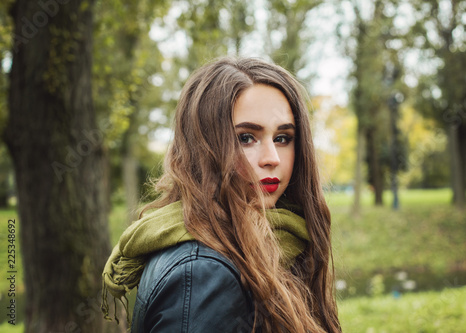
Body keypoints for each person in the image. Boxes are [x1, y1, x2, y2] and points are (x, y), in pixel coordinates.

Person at [101, 57, 342, 333]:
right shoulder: (202, 273)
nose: (272, 158)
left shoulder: (274, 242)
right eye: (245, 138)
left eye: (282, 138)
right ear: (203, 148)